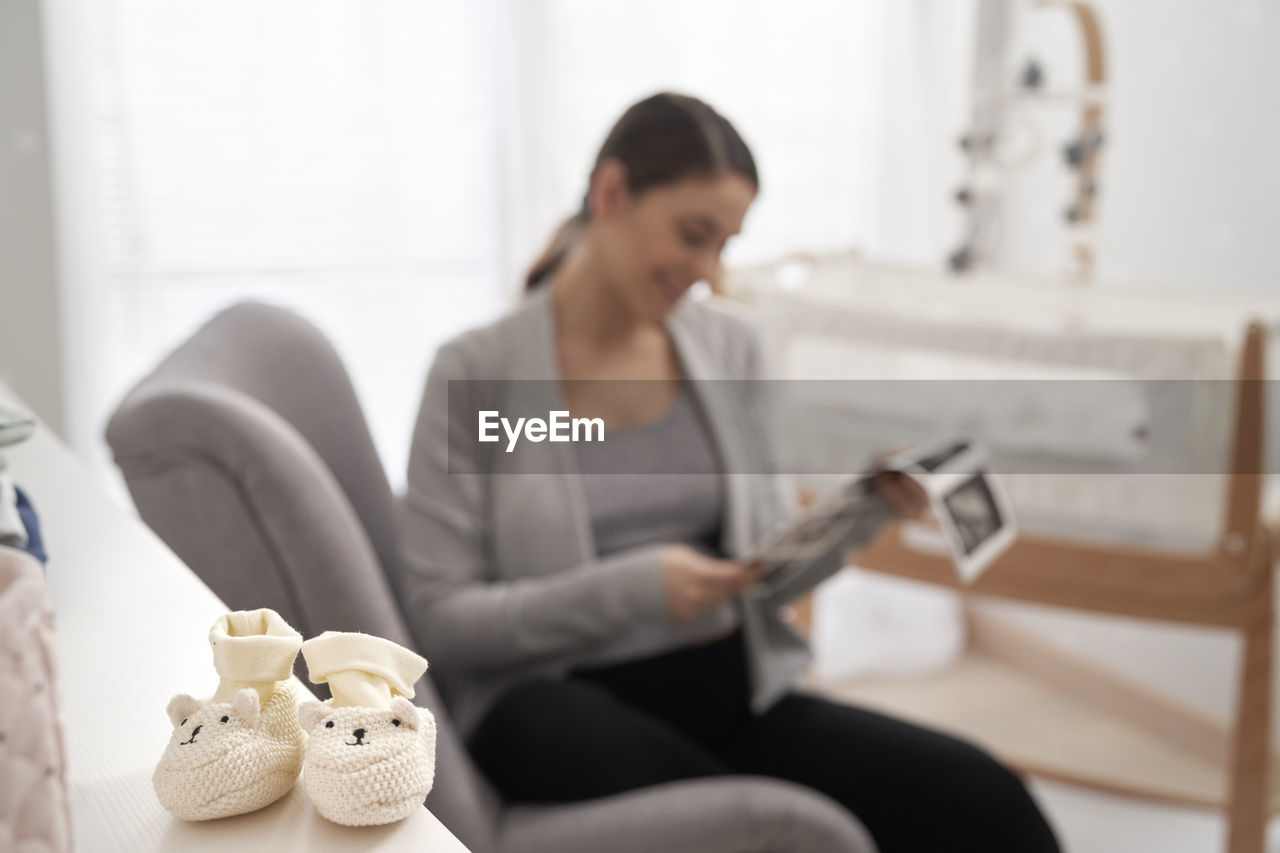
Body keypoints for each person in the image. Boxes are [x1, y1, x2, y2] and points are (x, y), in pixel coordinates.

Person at [397, 92, 1061, 852]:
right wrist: (636, 588)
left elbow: (769, 568)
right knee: (763, 817)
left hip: (731, 694)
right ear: (611, 193)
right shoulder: (477, 376)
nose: (710, 271)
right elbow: (443, 622)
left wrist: (866, 509)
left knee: (983, 796)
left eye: (725, 244)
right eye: (693, 235)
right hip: (558, 707)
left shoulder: (732, 350)